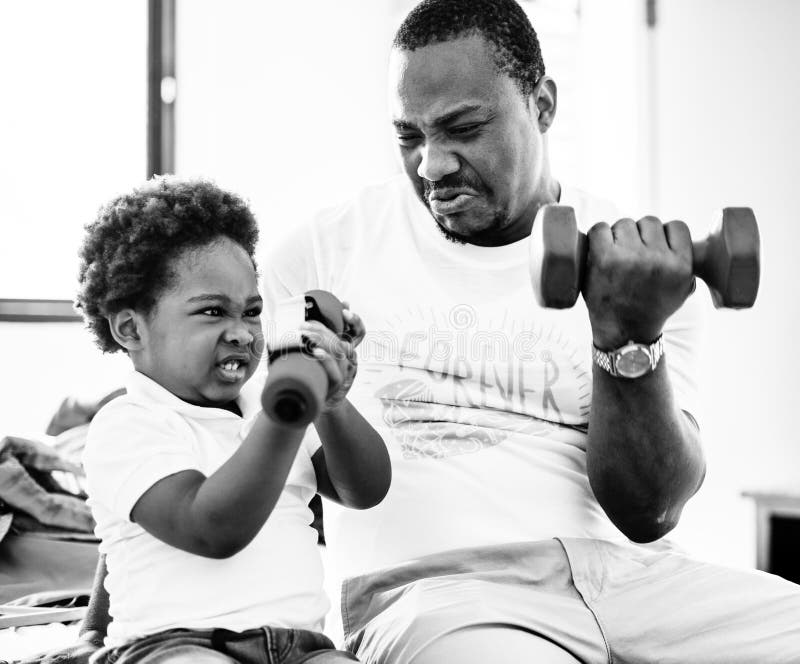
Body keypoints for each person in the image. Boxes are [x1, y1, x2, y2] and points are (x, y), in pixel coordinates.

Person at [24, 1, 799, 663]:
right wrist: (104, 616)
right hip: (443, 593)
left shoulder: (637, 266)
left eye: (463, 127)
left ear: (545, 103)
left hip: (642, 580)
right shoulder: (321, 255)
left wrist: (626, 336)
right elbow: (211, 430)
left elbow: (650, 511)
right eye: (408, 136)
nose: (432, 164)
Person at [71, 176, 390, 664]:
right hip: (175, 645)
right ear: (131, 328)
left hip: (300, 649)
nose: (241, 333)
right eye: (213, 312)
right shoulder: (129, 424)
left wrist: (332, 404)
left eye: (253, 312)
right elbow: (211, 528)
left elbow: (363, 489)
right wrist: (286, 415)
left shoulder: (270, 404)